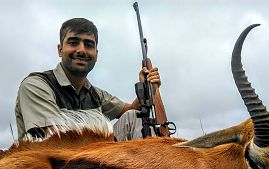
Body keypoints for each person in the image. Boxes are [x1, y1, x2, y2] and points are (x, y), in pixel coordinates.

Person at [15, 18, 161, 142]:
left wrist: (147, 88)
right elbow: (55, 142)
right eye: (73, 42)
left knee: (133, 117)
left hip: (96, 164)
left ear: (96, 54)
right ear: (60, 50)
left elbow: (131, 111)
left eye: (89, 45)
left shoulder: (96, 95)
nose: (82, 50)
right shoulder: (36, 85)